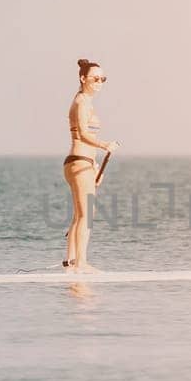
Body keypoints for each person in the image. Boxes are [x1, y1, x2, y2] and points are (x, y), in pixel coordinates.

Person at [62, 58, 118, 273]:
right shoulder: (81, 102)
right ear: (83, 78)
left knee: (79, 214)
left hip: (83, 164)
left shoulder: (85, 101)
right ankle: (82, 263)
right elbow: (84, 134)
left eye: (102, 79)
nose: (99, 82)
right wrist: (105, 145)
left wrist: (94, 165)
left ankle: (70, 262)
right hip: (78, 163)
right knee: (86, 214)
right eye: (95, 78)